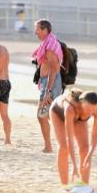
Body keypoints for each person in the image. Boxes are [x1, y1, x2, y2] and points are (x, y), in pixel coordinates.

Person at [50, 88, 97, 185]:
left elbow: (95, 134)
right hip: (58, 113)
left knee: (85, 149)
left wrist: (89, 155)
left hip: (78, 118)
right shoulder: (70, 108)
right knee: (63, 148)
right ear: (82, 103)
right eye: (87, 109)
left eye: (92, 111)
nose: (89, 113)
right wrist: (74, 167)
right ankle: (65, 186)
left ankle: (84, 186)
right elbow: (69, 139)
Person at [33, 19, 62, 153]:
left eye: (38, 29)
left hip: (51, 83)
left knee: (43, 114)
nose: (36, 32)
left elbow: (54, 68)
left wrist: (48, 91)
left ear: (45, 30)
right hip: (48, 81)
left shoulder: (50, 45)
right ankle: (51, 145)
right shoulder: (47, 43)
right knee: (48, 114)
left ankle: (51, 146)